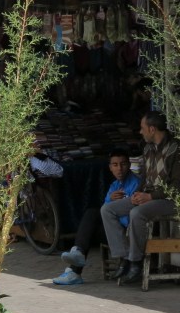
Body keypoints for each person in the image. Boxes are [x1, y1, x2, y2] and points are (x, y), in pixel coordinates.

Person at [100, 111, 180, 285]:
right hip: (149, 196)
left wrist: (150, 196)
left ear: (152, 129)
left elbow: (176, 187)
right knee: (107, 209)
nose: (140, 131)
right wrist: (137, 193)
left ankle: (136, 262)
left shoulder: (175, 149)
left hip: (170, 201)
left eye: (143, 128)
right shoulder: (148, 148)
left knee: (137, 213)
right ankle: (124, 258)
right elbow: (145, 178)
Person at [53, 148, 139, 286]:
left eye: (123, 164)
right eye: (115, 165)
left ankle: (74, 270)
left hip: (126, 232)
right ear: (110, 168)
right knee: (91, 217)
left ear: (129, 165)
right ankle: (76, 261)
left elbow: (132, 215)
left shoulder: (136, 184)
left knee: (91, 217)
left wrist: (115, 205)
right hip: (113, 230)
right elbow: (105, 212)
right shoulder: (114, 186)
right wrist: (110, 200)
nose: (119, 169)